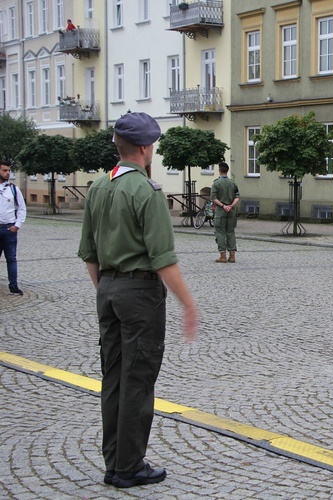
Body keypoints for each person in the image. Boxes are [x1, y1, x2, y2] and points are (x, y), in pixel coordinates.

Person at [77, 112, 198, 488]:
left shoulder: (98, 187)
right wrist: (189, 305)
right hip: (139, 293)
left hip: (108, 289)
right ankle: (128, 467)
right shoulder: (146, 191)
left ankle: (114, 460)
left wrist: (106, 291)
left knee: (113, 377)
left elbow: (89, 254)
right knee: (138, 380)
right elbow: (164, 259)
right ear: (145, 149)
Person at [0, 161, 26, 295]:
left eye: (8, 170)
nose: (7, 173)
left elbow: (21, 208)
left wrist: (17, 225)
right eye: (4, 170)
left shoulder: (13, 189)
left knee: (11, 258)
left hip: (9, 229)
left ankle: (13, 285)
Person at [211, 162, 240, 263]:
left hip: (220, 211)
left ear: (219, 170)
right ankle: (232, 256)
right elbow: (237, 197)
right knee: (231, 232)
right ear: (227, 171)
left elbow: (214, 198)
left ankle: (222, 256)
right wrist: (231, 206)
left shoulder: (216, 183)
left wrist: (224, 206)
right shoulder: (233, 183)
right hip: (231, 211)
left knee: (220, 232)